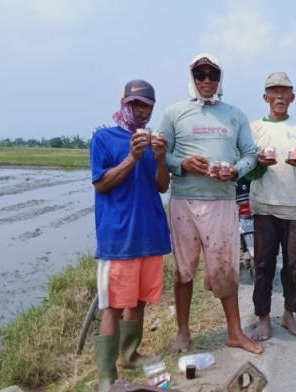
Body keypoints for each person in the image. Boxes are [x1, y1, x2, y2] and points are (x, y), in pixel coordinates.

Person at [161, 53, 263, 354]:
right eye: (200, 74)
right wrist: (183, 163)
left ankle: (235, 332)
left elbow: (250, 154)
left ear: (220, 80)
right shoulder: (174, 113)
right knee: (183, 270)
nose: (207, 80)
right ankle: (183, 332)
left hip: (221, 201)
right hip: (184, 201)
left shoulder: (234, 114)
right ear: (192, 78)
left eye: (212, 75)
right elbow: (161, 154)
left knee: (225, 268)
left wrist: (235, 171)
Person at [90, 79, 172, 391]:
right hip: (118, 236)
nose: (140, 110)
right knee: (111, 305)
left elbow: (162, 186)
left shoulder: (153, 142)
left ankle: (129, 354)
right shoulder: (103, 138)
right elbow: (101, 183)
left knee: (139, 299)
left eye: (146, 106)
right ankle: (106, 376)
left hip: (150, 233)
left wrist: (160, 158)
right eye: (135, 104)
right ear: (123, 103)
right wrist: (132, 158)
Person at [244, 72, 296, 340]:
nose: (279, 97)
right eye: (274, 92)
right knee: (263, 264)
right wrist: (260, 166)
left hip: (294, 208)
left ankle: (289, 315)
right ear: (265, 97)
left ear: (292, 98)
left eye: (284, 92)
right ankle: (263, 318)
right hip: (264, 207)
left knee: (293, 264)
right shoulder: (254, 129)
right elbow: (248, 171)